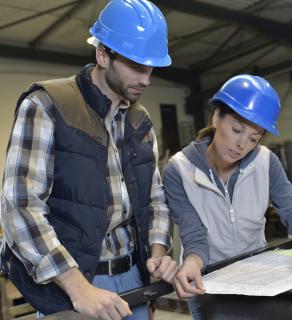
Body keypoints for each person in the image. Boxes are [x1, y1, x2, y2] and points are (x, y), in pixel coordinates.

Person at [0, 0, 178, 318]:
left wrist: (158, 251)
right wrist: (78, 288)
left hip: (135, 282)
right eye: (136, 66)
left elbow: (155, 201)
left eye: (151, 67)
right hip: (71, 286)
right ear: (102, 54)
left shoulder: (140, 121)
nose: (146, 79)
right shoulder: (46, 106)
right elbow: (20, 208)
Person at [163, 74, 292, 319]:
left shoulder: (266, 161)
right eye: (236, 129)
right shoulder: (179, 170)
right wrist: (192, 264)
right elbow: (194, 234)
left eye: (253, 138)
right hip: (209, 282)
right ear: (217, 117)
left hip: (259, 275)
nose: (241, 145)